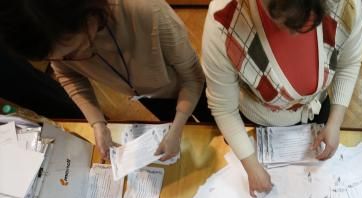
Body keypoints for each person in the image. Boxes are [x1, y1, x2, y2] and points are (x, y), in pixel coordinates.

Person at [0, 0, 210, 161]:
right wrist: (98, 123)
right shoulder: (57, 46)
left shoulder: (145, 11)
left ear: (89, 13)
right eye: (56, 59)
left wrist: (178, 125)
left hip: (189, 87)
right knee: (181, 133)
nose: (74, 61)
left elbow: (193, 79)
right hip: (147, 94)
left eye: (78, 50)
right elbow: (68, 75)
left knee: (212, 126)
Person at [202, 0, 362, 197]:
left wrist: (335, 122)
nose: (302, 33)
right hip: (261, 122)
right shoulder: (224, 20)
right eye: (289, 25)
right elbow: (223, 107)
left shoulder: (347, 6)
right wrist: (251, 166)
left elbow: (349, 62)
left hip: (317, 109)